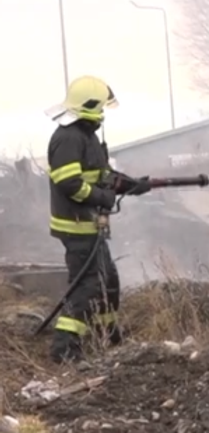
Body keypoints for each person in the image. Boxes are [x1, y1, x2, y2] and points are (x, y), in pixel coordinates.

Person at [45, 76, 150, 364]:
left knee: (109, 281)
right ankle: (64, 347)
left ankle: (108, 333)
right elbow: (70, 184)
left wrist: (130, 184)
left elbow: (101, 176)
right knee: (89, 285)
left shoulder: (86, 136)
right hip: (76, 226)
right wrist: (104, 198)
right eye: (101, 107)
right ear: (90, 106)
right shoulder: (68, 137)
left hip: (89, 225)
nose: (103, 113)